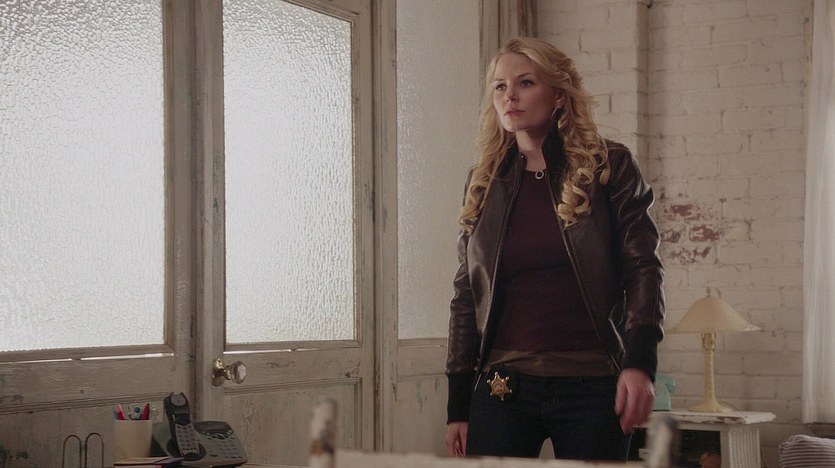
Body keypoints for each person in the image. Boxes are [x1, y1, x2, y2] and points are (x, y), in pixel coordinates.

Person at [444, 37, 665, 461]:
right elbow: (466, 294)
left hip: (593, 386)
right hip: (501, 387)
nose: (510, 96)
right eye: (500, 86)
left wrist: (640, 362)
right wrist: (458, 404)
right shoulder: (484, 180)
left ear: (559, 95)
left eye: (525, 83)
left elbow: (643, 268)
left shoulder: (609, 166)